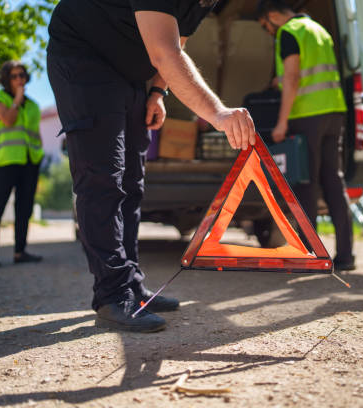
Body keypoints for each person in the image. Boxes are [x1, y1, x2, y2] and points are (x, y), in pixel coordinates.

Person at [47, 0, 256, 333]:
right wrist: (216, 113)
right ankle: (112, 295)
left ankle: (131, 287)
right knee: (103, 179)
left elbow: (178, 41)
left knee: (132, 181)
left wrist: (158, 91)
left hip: (129, 72)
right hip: (83, 56)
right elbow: (164, 53)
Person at [256, 0, 355, 271]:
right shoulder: (319, 30)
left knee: (305, 184)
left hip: (306, 115)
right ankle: (345, 256)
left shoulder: (289, 32)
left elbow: (292, 77)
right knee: (334, 181)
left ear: (273, 15)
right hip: (334, 112)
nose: (269, 31)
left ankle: (309, 255)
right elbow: (313, 70)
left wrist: (281, 123)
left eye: (266, 26)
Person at [0, 61, 44, 268]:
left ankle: (20, 252)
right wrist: (16, 100)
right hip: (5, 162)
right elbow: (8, 120)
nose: (19, 80)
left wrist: (38, 156)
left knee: (24, 209)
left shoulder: (34, 105)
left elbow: (35, 134)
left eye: (22, 75)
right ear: (7, 79)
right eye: (14, 76)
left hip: (29, 162)